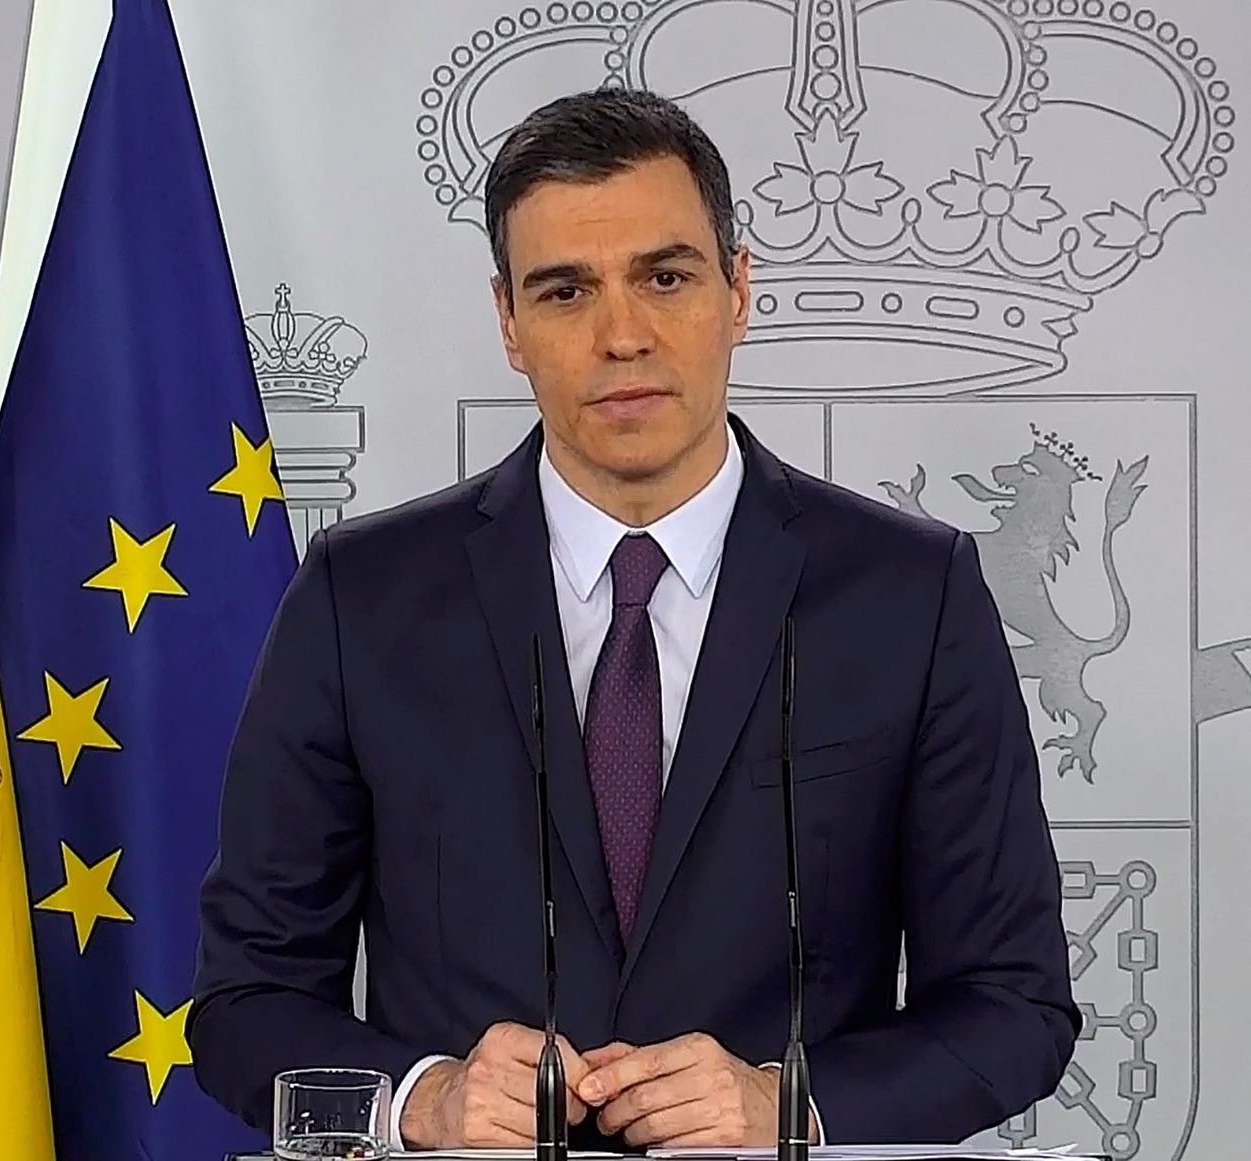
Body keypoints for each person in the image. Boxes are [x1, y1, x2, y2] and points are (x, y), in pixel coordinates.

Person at [187, 88, 1077, 1152]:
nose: (622, 336)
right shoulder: (359, 597)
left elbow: (1013, 1005)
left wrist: (783, 1105)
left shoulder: (911, 594)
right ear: (508, 323)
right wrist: (423, 1095)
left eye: (665, 277)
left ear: (738, 290)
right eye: (565, 291)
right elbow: (245, 999)